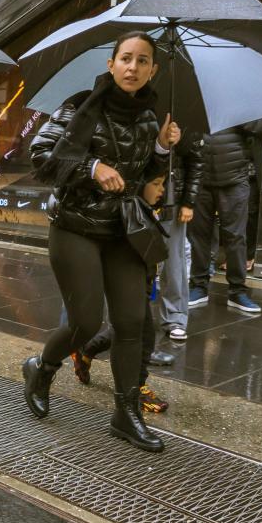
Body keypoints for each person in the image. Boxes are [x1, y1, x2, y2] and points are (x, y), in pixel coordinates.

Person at [24, 30, 181, 453]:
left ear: (153, 70)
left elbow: (146, 177)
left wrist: (162, 155)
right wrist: (92, 167)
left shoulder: (152, 118)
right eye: (126, 59)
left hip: (123, 230)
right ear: (111, 64)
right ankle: (41, 367)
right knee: (86, 322)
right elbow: (40, 157)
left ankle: (124, 414)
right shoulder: (80, 106)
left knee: (131, 322)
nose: (133, 67)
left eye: (143, 61)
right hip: (75, 227)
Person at [69, 173, 171, 413]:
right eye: (156, 184)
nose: (162, 190)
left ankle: (88, 349)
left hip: (143, 281)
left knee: (130, 327)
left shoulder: (147, 209)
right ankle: (137, 387)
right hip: (130, 281)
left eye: (163, 184)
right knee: (143, 334)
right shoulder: (127, 211)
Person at [188, 118, 262, 313]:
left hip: (235, 178)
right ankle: (198, 286)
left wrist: (242, 116)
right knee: (198, 236)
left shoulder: (242, 99)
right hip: (200, 176)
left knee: (235, 237)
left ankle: (237, 290)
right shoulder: (198, 98)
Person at [157, 118, 203, 342]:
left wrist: (188, 202)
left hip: (170, 198)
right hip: (138, 195)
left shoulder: (184, 116)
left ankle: (175, 317)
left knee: (174, 264)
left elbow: (195, 161)